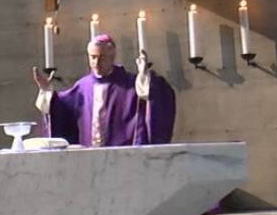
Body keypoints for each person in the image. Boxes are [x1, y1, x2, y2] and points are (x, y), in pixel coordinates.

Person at [32, 34, 175, 146]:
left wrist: (145, 79)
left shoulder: (129, 83)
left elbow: (158, 97)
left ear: (112, 56)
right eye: (93, 57)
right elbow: (59, 108)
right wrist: (46, 92)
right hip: (89, 158)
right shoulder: (82, 86)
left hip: (123, 157)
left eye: (102, 57)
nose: (96, 62)